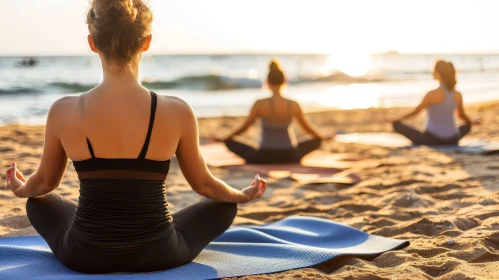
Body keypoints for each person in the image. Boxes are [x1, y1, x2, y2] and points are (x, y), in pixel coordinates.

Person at [5, 0, 267, 274]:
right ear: (146, 42)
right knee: (224, 206)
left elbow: (44, 183)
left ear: (92, 42)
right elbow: (203, 184)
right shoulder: (177, 110)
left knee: (39, 203)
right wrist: (241, 196)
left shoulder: (63, 110)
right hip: (160, 253)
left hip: (84, 255)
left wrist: (20, 188)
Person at [213, 60, 333, 164]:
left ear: (267, 83)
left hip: (263, 156)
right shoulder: (293, 104)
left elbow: (244, 128)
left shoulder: (260, 104)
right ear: (285, 82)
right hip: (291, 155)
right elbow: (307, 128)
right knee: (317, 141)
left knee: (230, 143)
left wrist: (225, 138)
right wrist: (323, 138)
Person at [391, 60, 481, 145]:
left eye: (434, 70)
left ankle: (395, 123)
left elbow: (416, 112)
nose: (432, 73)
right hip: (453, 139)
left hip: (432, 139)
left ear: (439, 74)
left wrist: (396, 119)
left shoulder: (432, 94)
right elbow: (461, 115)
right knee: (467, 126)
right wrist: (471, 122)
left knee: (396, 125)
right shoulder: (457, 94)